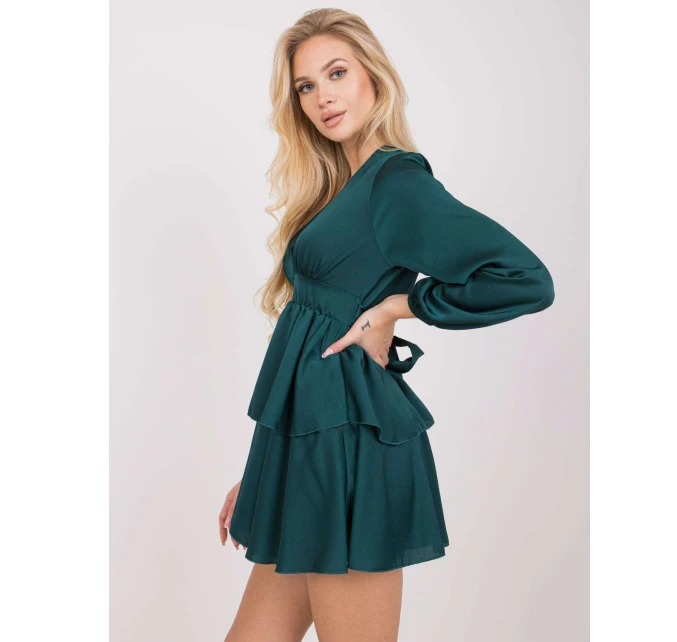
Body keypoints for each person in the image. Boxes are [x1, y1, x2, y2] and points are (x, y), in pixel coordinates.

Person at [218, 8, 555, 641]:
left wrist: (399, 308)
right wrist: (265, 466)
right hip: (307, 450)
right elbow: (304, 349)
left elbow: (525, 279)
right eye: (306, 86)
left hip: (350, 453)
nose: (323, 97)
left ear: (373, 74)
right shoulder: (339, 188)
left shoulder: (396, 183)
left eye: (336, 73)